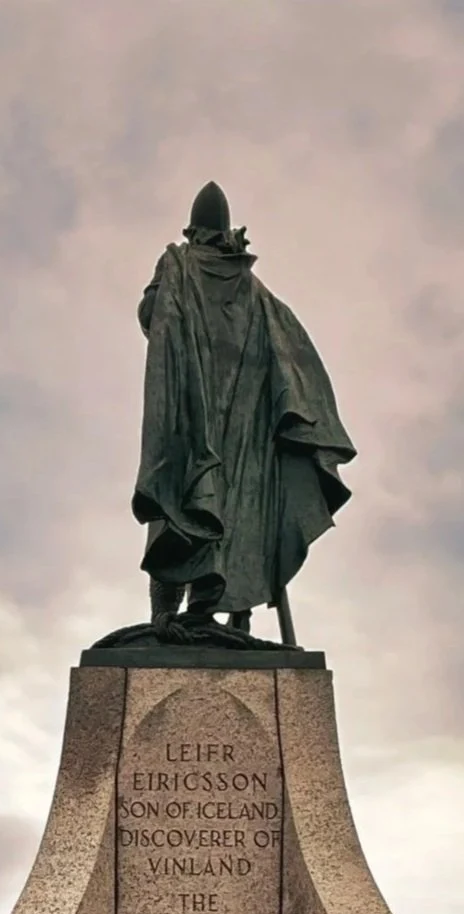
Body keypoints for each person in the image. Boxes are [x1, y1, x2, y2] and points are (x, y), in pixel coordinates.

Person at [134, 182, 355, 636]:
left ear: (194, 231)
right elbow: (290, 355)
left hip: (200, 421)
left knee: (180, 509)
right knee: (226, 512)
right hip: (231, 423)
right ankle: (226, 614)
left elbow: (149, 314)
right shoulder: (253, 291)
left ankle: (174, 615)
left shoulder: (181, 263)